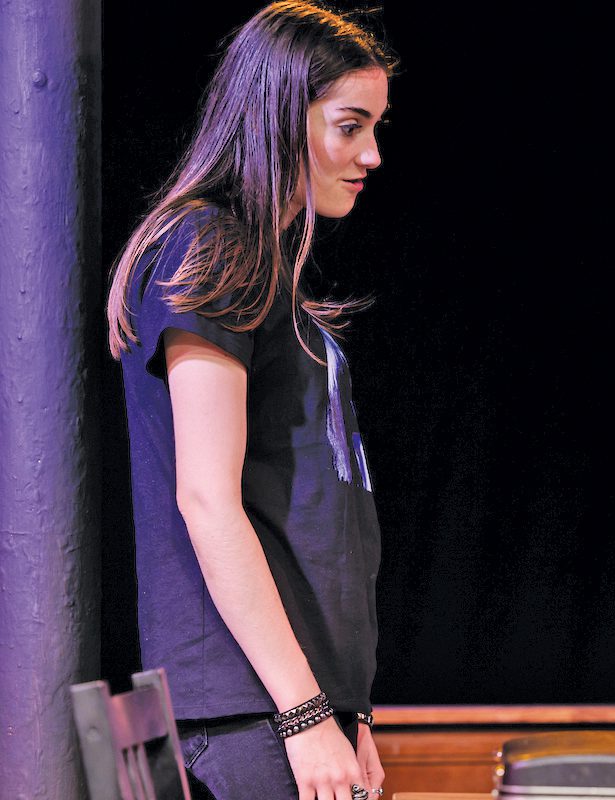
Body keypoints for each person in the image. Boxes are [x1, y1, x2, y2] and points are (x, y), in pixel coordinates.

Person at [105, 3, 394, 799]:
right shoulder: (213, 244)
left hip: (295, 702)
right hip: (253, 705)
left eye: (376, 125)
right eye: (349, 125)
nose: (371, 153)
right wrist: (304, 715)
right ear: (278, 116)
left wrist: (348, 710)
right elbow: (206, 497)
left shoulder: (265, 273)